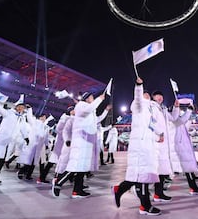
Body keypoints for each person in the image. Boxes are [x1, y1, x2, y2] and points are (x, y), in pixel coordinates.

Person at [112, 77, 162, 215]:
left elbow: (152, 126)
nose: (147, 95)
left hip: (148, 144)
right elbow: (138, 98)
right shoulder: (137, 105)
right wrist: (139, 86)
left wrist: (159, 135)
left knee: (139, 175)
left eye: (147, 94)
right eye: (145, 94)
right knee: (143, 175)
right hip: (140, 145)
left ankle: (120, 189)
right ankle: (145, 206)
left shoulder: (149, 112)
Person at [52, 91, 105, 198]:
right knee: (74, 167)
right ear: (86, 98)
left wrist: (106, 111)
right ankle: (58, 183)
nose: (92, 98)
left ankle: (77, 191)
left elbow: (95, 120)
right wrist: (99, 99)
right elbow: (89, 109)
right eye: (91, 97)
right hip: (80, 142)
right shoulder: (81, 106)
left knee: (82, 169)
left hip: (86, 143)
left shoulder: (89, 110)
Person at [0, 99, 30, 187]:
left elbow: (22, 129)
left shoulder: (21, 118)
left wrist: (26, 137)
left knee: (1, 161)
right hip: (2, 139)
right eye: (20, 106)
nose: (21, 108)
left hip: (8, 141)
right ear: (16, 107)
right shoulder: (9, 113)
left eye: (23, 108)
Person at [17, 113, 50, 181]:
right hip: (33, 145)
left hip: (39, 146)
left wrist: (47, 145)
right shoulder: (35, 123)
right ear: (40, 117)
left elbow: (46, 137)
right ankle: (21, 171)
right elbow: (29, 118)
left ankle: (29, 175)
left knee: (34, 162)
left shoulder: (45, 127)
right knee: (30, 161)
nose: (45, 118)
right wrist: (29, 110)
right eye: (44, 117)